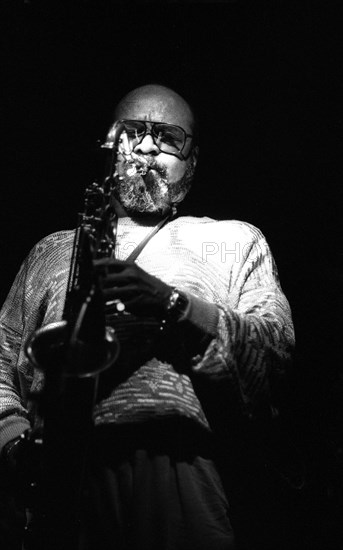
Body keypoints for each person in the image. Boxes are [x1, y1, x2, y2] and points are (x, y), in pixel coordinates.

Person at [0, 84, 294, 550]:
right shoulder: (51, 250)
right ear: (109, 147)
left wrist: (173, 304)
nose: (147, 146)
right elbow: (1, 357)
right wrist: (12, 443)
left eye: (168, 137)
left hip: (180, 463)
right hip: (60, 471)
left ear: (192, 162)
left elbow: (273, 349)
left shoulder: (234, 240)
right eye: (132, 132)